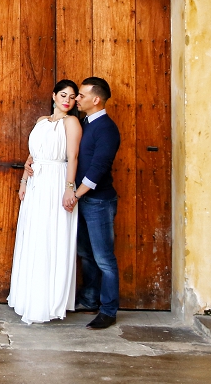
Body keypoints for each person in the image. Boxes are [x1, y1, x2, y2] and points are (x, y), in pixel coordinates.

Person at [7, 79, 82, 324]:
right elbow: (32, 155)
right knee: (35, 235)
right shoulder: (41, 121)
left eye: (72, 97)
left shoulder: (71, 123)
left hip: (56, 182)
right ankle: (28, 296)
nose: (67, 100)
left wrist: (69, 189)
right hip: (37, 184)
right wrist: (23, 182)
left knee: (52, 235)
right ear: (53, 95)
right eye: (63, 94)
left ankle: (49, 301)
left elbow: (73, 157)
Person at [63, 76, 122, 330]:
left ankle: (108, 310)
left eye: (82, 95)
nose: (77, 99)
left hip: (98, 201)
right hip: (84, 200)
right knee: (86, 254)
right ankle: (89, 299)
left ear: (96, 100)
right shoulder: (85, 123)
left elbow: (97, 169)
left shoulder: (107, 128)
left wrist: (76, 195)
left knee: (104, 259)